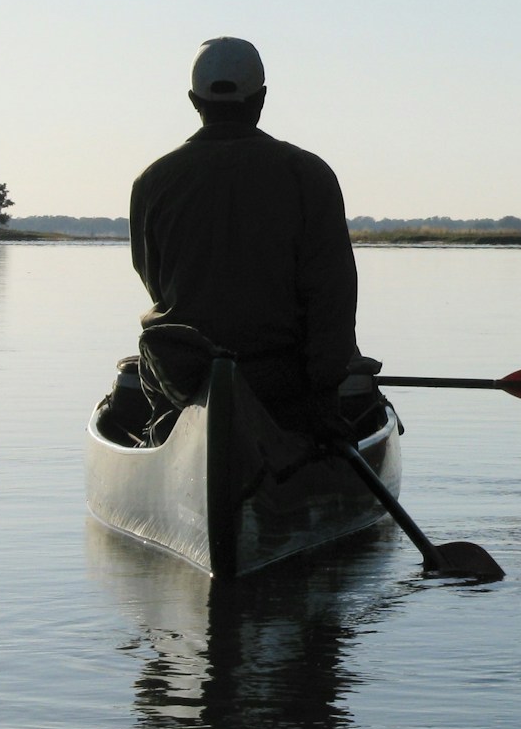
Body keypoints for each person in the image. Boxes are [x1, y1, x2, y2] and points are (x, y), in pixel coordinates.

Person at [130, 36, 362, 442]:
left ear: (193, 100)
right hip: (283, 384)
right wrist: (324, 396)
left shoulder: (151, 182)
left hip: (186, 379)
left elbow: (154, 281)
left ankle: (165, 436)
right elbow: (333, 299)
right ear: (262, 98)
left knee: (138, 372)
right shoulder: (310, 175)